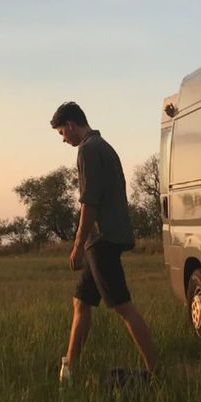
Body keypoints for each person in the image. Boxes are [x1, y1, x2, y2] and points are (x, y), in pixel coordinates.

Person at [50, 102, 159, 383]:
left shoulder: (87, 150)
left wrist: (77, 245)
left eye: (62, 133)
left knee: (123, 307)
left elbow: (90, 203)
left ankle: (156, 373)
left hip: (102, 240)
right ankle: (69, 371)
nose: (64, 139)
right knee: (81, 303)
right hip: (105, 239)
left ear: (72, 125)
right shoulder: (104, 146)